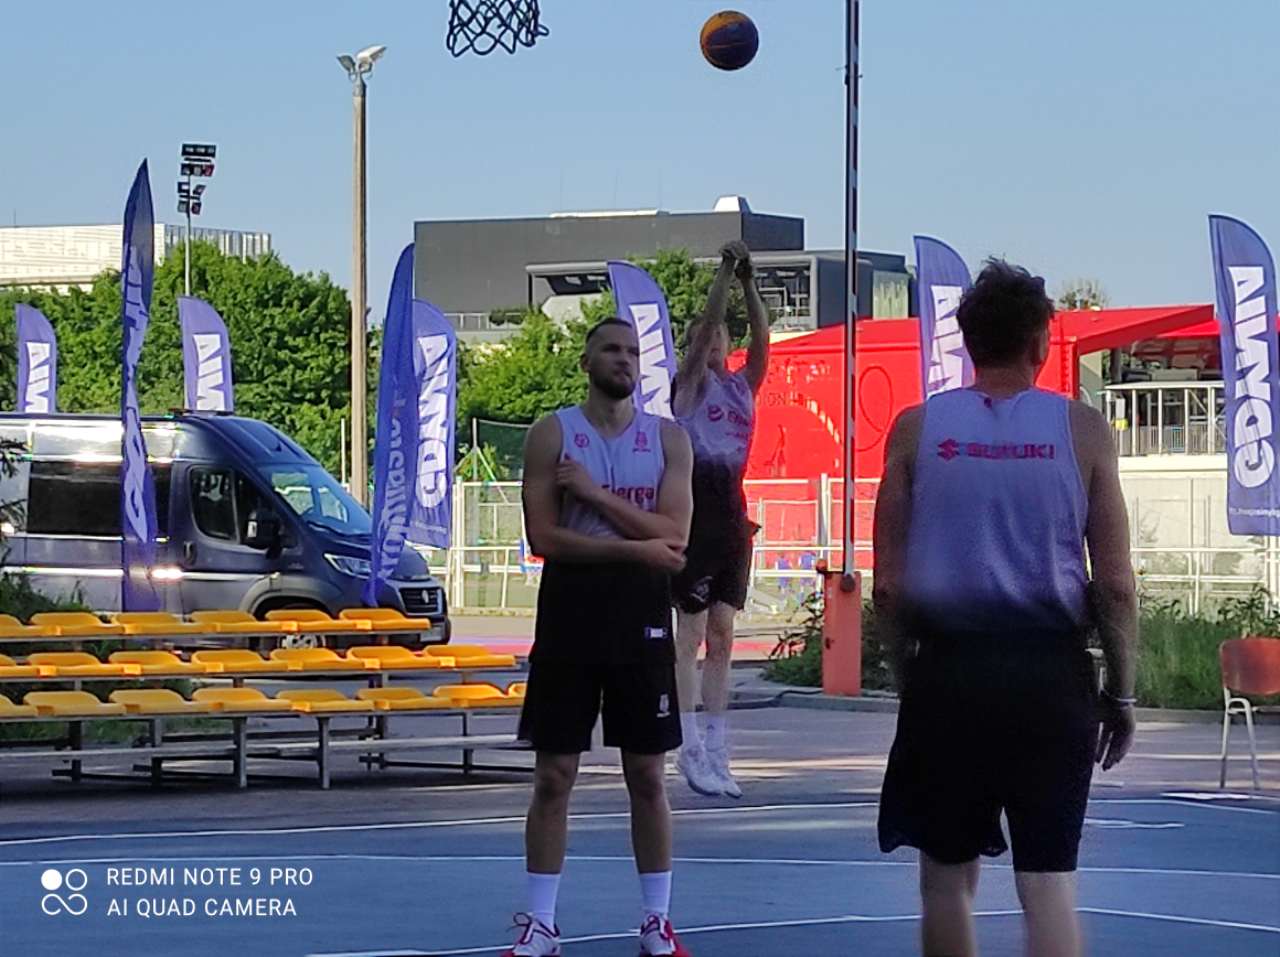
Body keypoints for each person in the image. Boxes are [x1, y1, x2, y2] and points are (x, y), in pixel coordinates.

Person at [872, 260, 1138, 957]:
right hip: (1049, 675)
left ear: (968, 340)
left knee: (945, 879)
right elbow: (1114, 585)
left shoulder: (915, 429)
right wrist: (1122, 692)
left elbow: (888, 586)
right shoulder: (1082, 430)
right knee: (1048, 881)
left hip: (950, 672)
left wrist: (908, 676)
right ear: (1041, 340)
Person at [506, 318, 695, 957]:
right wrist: (638, 547)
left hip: (640, 616)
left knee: (647, 774)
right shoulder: (552, 433)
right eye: (612, 349)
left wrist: (592, 495)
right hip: (571, 613)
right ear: (586, 361)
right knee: (555, 774)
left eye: (633, 351)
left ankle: (656, 920)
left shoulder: (668, 439)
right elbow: (545, 538)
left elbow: (676, 536)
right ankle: (541, 923)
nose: (625, 360)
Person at [670, 240, 770, 798]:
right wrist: (726, 273)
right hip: (695, 517)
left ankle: (717, 743)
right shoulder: (689, 386)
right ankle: (687, 744)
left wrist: (751, 283)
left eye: (719, 340)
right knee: (689, 633)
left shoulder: (740, 386)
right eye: (704, 339)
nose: (713, 343)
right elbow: (709, 321)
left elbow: (762, 339)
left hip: (733, 517)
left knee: (724, 633)